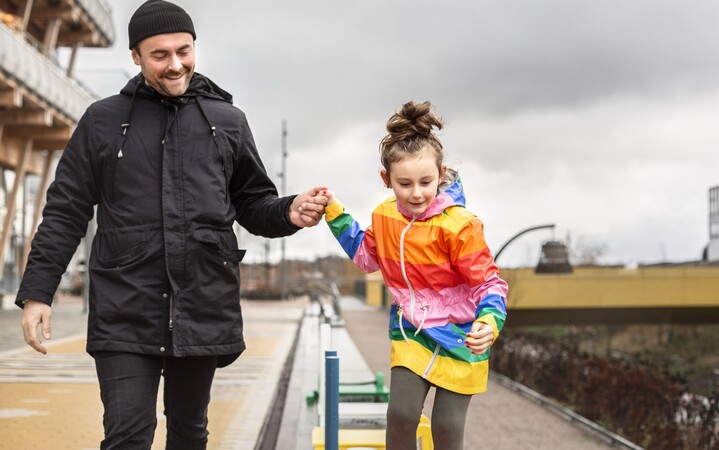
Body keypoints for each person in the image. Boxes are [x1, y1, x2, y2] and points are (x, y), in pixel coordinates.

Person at [16, 1, 327, 448]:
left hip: (201, 302)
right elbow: (66, 210)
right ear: (136, 57)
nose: (176, 64)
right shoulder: (102, 121)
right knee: (127, 435)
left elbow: (253, 203)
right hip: (125, 306)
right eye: (160, 55)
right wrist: (37, 292)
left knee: (189, 431)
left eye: (184, 50)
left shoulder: (227, 121)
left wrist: (288, 211)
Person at [321, 100, 508, 450]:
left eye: (426, 181)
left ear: (441, 173)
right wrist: (335, 213)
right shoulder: (384, 217)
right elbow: (366, 257)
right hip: (412, 331)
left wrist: (489, 320)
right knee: (402, 414)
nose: (417, 193)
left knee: (447, 427)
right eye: (404, 184)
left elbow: (489, 282)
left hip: (461, 334)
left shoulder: (460, 225)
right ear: (386, 179)